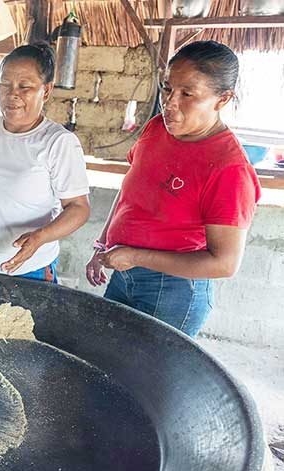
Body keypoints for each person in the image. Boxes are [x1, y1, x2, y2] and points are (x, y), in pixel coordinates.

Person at [85, 40, 261, 337]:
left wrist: (135, 256)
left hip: (172, 290)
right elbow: (130, 191)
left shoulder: (228, 169)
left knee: (149, 377)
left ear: (223, 99)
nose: (169, 103)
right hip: (124, 269)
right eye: (167, 88)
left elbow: (225, 263)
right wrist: (104, 246)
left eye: (187, 94)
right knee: (110, 359)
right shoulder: (157, 128)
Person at [0, 43, 91, 282]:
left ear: (47, 90)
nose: (13, 94)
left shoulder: (58, 142)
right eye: (5, 84)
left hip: (28, 271)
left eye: (25, 86)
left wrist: (41, 236)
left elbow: (79, 209)